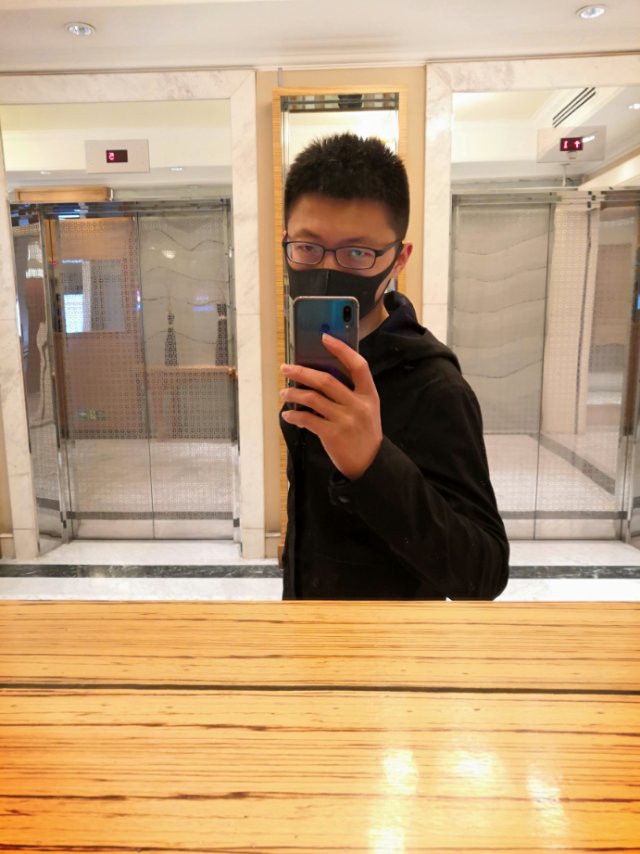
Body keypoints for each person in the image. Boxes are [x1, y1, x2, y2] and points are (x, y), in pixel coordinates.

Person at [279, 132, 509, 600]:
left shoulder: (435, 387)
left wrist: (373, 465)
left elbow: (484, 572)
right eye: (307, 247)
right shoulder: (311, 362)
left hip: (395, 639)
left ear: (399, 259)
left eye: (357, 253)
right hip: (306, 623)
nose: (327, 268)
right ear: (286, 242)